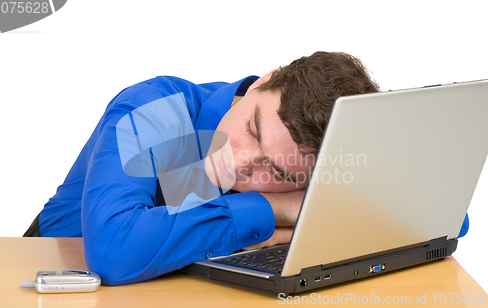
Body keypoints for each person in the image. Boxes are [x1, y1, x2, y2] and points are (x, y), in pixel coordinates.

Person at [23, 51, 468, 286]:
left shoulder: (322, 161)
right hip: (55, 277)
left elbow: (442, 218)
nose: (238, 163)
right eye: (252, 129)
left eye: (277, 172)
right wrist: (277, 210)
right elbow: (115, 251)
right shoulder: (154, 109)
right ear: (261, 81)